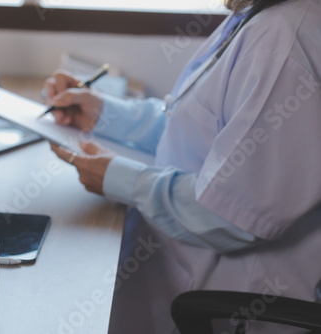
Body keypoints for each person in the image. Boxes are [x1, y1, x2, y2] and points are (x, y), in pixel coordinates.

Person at [44, 0, 321, 332]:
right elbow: (197, 129)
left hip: (237, 302)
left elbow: (232, 215)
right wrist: (105, 114)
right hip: (174, 265)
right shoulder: (256, 15)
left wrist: (118, 178)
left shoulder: (283, 39)